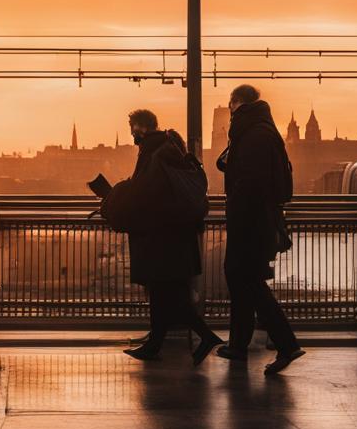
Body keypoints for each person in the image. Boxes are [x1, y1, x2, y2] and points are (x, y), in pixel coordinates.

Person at [215, 85, 305, 375]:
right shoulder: (262, 131)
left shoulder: (253, 134)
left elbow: (250, 182)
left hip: (249, 222)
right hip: (256, 220)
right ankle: (238, 346)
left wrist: (238, 203)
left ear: (236, 102)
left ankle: (287, 344)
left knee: (249, 281)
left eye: (230, 104)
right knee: (242, 279)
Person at [120, 111, 224, 364]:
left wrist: (122, 192)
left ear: (141, 128)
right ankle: (156, 343)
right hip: (175, 235)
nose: (132, 134)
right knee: (168, 292)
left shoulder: (154, 151)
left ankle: (201, 336)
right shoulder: (169, 147)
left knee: (166, 292)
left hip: (162, 235)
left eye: (133, 129)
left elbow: (148, 191)